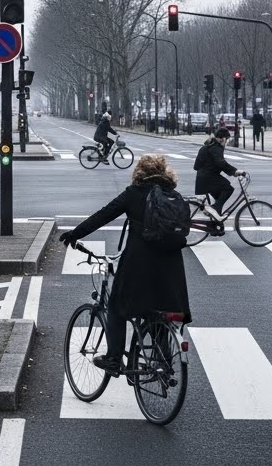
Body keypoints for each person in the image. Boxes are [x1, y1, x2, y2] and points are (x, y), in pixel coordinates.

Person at [58, 155, 192, 375]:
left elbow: (104, 214)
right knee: (159, 313)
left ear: (140, 171)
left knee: (117, 309)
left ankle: (113, 358)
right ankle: (164, 361)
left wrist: (76, 233)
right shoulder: (174, 196)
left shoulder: (134, 193)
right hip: (172, 269)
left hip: (139, 266)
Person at [194, 128, 245, 213]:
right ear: (223, 138)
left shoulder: (208, 145)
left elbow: (196, 166)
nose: (226, 142)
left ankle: (217, 222)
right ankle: (214, 209)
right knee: (228, 189)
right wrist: (235, 171)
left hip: (202, 178)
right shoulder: (216, 147)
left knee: (219, 200)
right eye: (227, 139)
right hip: (209, 178)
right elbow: (221, 163)